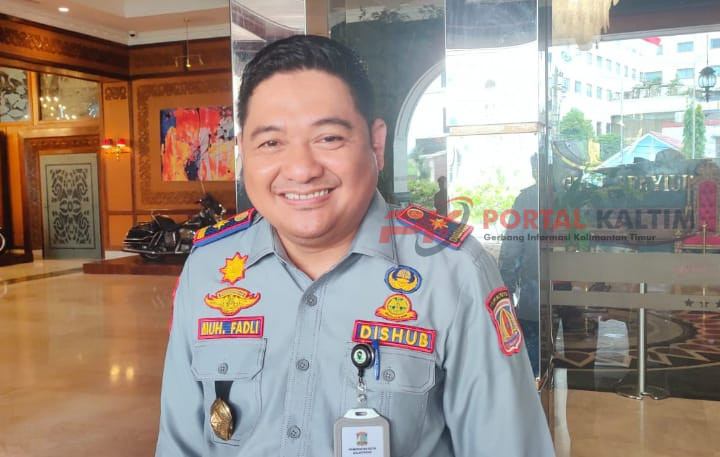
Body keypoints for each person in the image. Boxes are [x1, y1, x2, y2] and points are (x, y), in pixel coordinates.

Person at [155, 35, 554, 457]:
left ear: (376, 144)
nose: (301, 170)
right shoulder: (209, 267)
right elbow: (180, 445)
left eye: (328, 138)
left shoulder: (453, 272)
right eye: (271, 142)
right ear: (243, 153)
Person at [498, 154, 540, 375]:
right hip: (567, 291)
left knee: (532, 362)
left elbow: (511, 249)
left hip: (534, 291)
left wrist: (506, 291)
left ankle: (534, 388)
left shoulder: (527, 200)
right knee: (576, 353)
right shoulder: (576, 197)